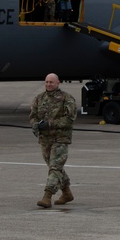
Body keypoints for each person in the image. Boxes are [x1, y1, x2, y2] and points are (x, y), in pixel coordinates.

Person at [30, 73, 78, 207]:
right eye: (46, 82)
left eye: (51, 82)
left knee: (55, 167)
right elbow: (33, 116)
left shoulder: (66, 99)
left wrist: (50, 124)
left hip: (60, 138)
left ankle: (47, 196)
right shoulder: (39, 99)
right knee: (54, 167)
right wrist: (35, 126)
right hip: (45, 139)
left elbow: (70, 119)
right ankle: (67, 192)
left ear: (58, 83)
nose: (48, 84)